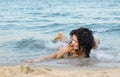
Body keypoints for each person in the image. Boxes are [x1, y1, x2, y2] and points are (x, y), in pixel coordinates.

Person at [26, 27, 100, 63]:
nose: (73, 42)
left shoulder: (90, 44)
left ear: (83, 43)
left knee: (67, 40)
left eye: (75, 41)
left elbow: (97, 42)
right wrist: (36, 60)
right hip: (65, 45)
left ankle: (62, 36)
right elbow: (55, 55)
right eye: (73, 40)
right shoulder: (70, 47)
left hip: (88, 41)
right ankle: (60, 36)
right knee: (63, 43)